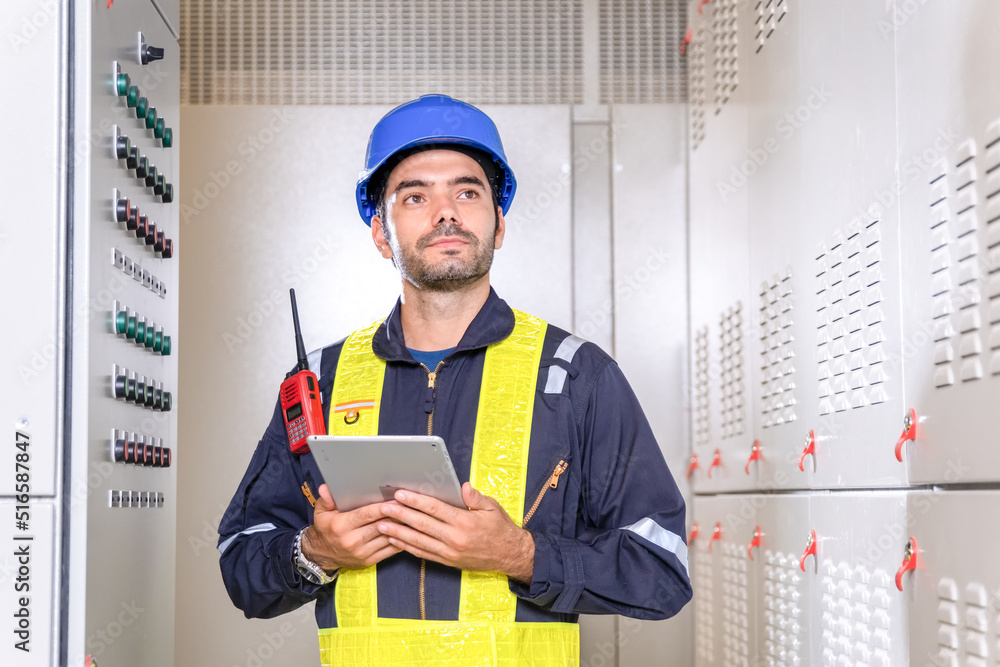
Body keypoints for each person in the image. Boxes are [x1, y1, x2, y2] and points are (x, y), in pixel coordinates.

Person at [217, 94, 692, 666]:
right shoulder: (320, 379)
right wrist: (314, 551)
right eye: (415, 196)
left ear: (499, 225)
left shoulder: (576, 375)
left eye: (467, 192)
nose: (446, 212)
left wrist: (523, 555)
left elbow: (662, 569)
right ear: (380, 233)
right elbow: (241, 563)